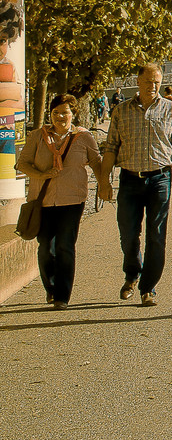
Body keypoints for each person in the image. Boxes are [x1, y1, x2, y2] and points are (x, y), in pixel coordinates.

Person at [100, 62, 172, 306]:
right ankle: (132, 273)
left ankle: (148, 287)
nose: (153, 86)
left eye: (157, 82)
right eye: (149, 81)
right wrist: (104, 179)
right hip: (130, 178)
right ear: (138, 82)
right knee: (128, 233)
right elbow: (110, 147)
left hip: (160, 179)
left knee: (157, 234)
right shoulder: (121, 111)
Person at [18, 94, 105, 308]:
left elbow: (97, 162)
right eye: (55, 113)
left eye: (64, 112)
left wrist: (105, 185)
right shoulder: (38, 136)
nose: (59, 117)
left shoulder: (83, 137)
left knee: (65, 246)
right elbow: (22, 164)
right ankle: (51, 287)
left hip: (72, 200)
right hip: (43, 201)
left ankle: (62, 296)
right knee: (46, 247)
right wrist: (42, 174)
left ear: (72, 113)